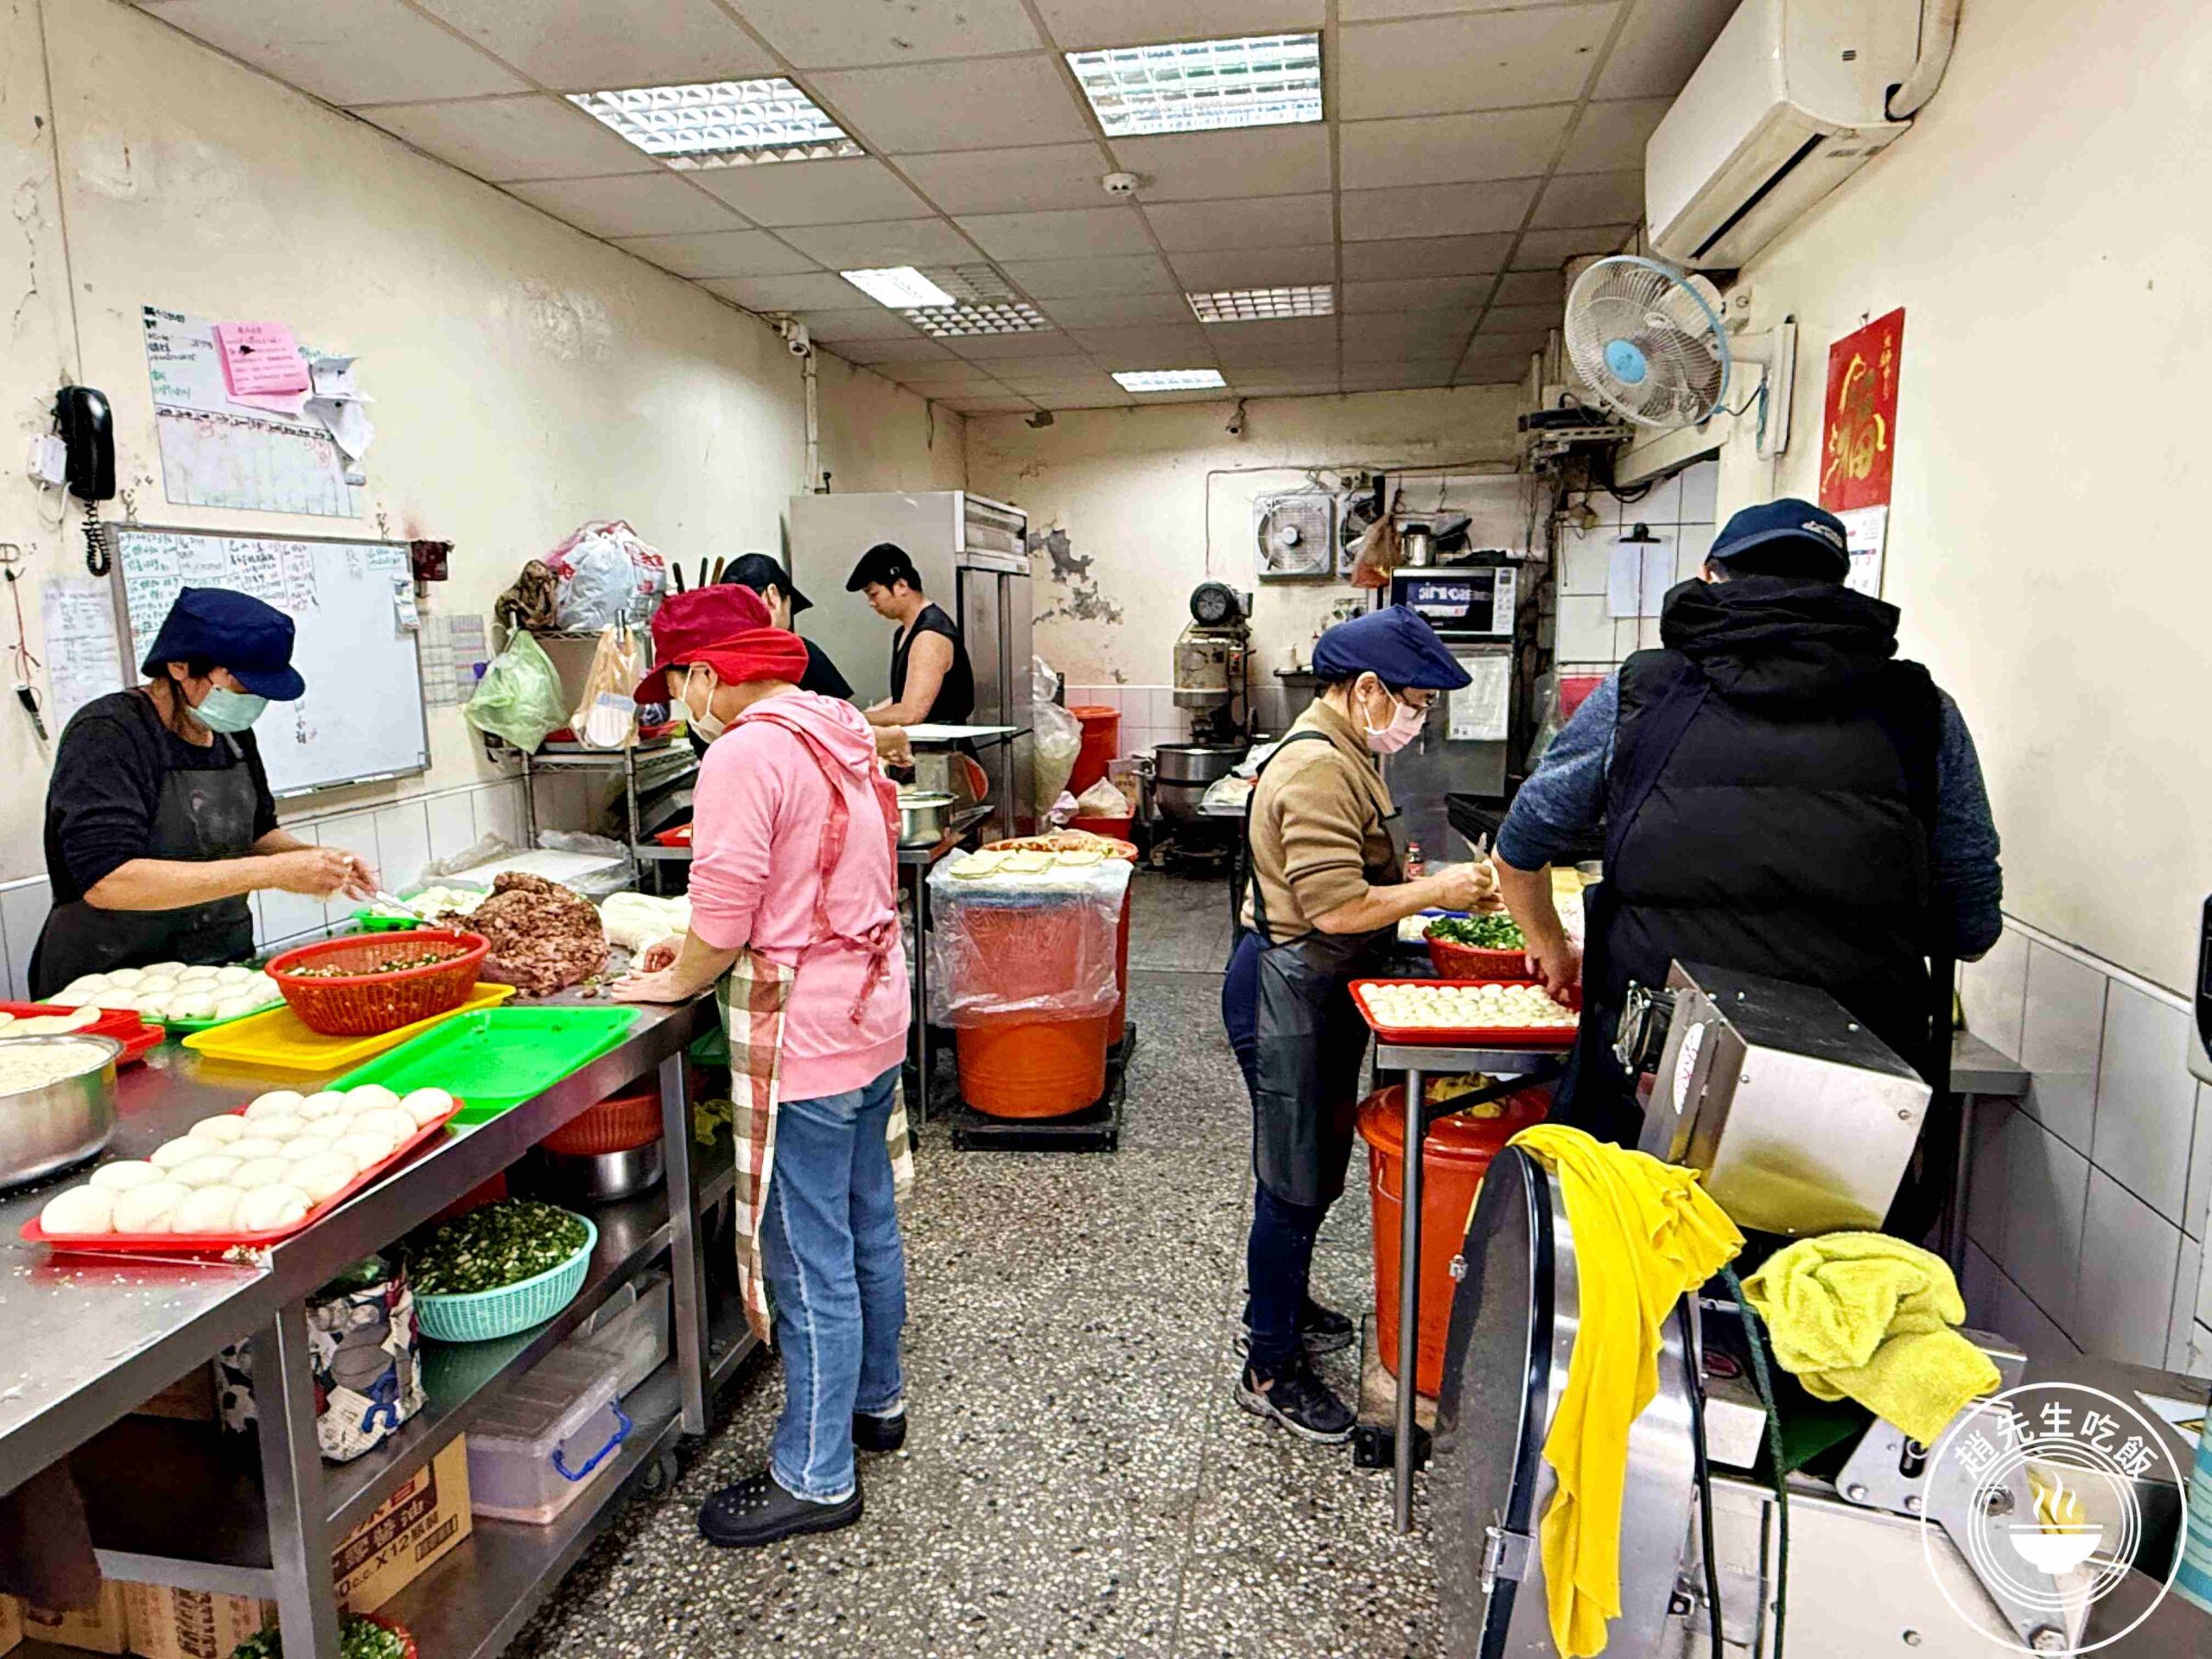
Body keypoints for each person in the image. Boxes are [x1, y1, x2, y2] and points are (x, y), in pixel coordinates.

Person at [1493, 497, 2003, 1157]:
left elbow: (1519, 848)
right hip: (1852, 1089)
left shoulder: (1645, 690)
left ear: (1711, 576)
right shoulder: (1923, 711)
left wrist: (1555, 950)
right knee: (1821, 1260)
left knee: (1651, 1247)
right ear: (1840, 585)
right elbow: (1971, 925)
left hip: (1662, 1070)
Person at [612, 583, 912, 1548]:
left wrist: (669, 983)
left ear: (707, 674)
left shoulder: (746, 751)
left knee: (805, 1253)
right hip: (870, 1015)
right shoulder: (839, 728)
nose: (683, 706)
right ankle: (878, 1401)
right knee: (867, 1219)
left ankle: (817, 1475)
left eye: (682, 684)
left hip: (807, 1040)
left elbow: (727, 912)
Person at [1221, 605, 1497, 1443]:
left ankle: (1285, 1299)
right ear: (1367, 689)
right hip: (1288, 988)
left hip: (1316, 986)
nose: (1416, 722)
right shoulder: (1315, 768)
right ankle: (1268, 1365)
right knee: (1292, 1180)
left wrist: (1413, 889)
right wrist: (1439, 893)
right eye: (1412, 702)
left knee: (1312, 1167)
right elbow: (1335, 909)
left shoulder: (1344, 751)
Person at [30, 587, 372, 997]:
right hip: (110, 981)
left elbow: (258, 834)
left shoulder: (233, 736)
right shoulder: (109, 733)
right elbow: (109, 881)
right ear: (179, 666)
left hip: (216, 968)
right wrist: (276, 873)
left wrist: (316, 860)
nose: (253, 701)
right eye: (240, 683)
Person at [844, 542, 976, 727]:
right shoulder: (904, 633)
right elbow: (902, 699)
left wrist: (849, 719)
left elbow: (910, 714)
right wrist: (859, 714)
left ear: (901, 586)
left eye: (873, 594)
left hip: (944, 751)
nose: (871, 603)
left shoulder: (930, 635)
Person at [718, 553, 854, 700]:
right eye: (789, 605)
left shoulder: (712, 664)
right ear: (773, 596)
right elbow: (845, 718)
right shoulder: (798, 653)